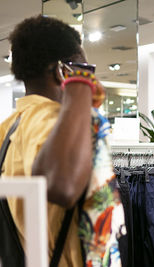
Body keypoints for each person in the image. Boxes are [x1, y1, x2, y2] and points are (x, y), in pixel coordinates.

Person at [0, 15, 105, 266]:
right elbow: (63, 186)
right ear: (62, 70)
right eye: (84, 68)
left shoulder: (10, 126)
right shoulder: (49, 119)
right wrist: (81, 82)